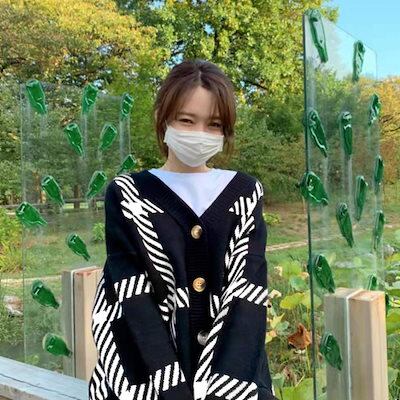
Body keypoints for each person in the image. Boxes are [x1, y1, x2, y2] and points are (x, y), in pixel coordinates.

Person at [89, 59, 277, 400]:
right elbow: (131, 295)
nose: (199, 134)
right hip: (146, 379)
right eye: (187, 120)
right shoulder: (128, 194)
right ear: (164, 118)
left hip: (236, 381)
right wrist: (171, 390)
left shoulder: (245, 193)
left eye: (214, 124)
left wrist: (224, 391)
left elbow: (248, 292)